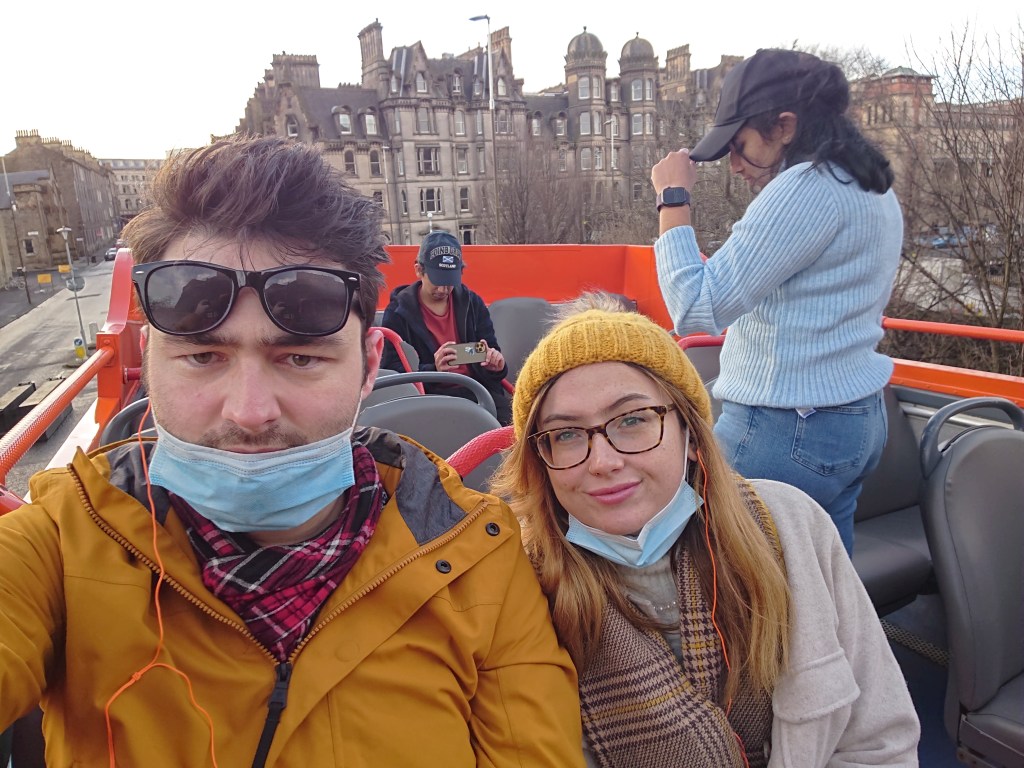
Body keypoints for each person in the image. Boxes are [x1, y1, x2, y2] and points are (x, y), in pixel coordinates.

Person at [0, 136, 583, 767]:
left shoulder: (480, 558)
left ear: (369, 368)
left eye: (300, 358)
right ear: (150, 362)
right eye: (203, 355)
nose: (250, 411)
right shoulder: (60, 546)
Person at [491, 294, 920, 768]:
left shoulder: (790, 524)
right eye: (567, 434)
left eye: (632, 420)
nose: (603, 462)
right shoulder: (514, 587)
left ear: (691, 435)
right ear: (541, 459)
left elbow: (879, 740)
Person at [650, 49, 903, 554]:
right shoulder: (868, 183)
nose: (735, 166)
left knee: (715, 570)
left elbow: (696, 307)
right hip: (855, 420)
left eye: (740, 146)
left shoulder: (805, 189)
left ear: (785, 126)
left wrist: (672, 198)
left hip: (787, 429)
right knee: (824, 579)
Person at [380, 231, 512, 425]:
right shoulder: (398, 312)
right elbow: (392, 372)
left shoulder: (472, 303)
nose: (443, 289)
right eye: (437, 280)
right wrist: (434, 370)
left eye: (450, 281)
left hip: (478, 392)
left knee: (517, 428)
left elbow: (491, 355)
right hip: (429, 398)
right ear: (419, 270)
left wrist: (495, 366)